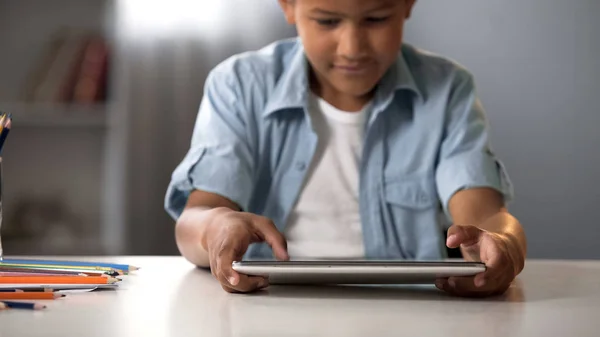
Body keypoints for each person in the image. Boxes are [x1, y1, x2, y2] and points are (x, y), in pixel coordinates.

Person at [164, 0, 527, 297]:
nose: (352, 47)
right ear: (288, 6)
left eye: (376, 18)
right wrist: (217, 225)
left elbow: (487, 217)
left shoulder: (447, 90)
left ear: (407, 5)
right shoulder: (239, 85)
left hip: (411, 311)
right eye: (327, 21)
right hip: (266, 306)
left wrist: (502, 243)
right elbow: (194, 221)